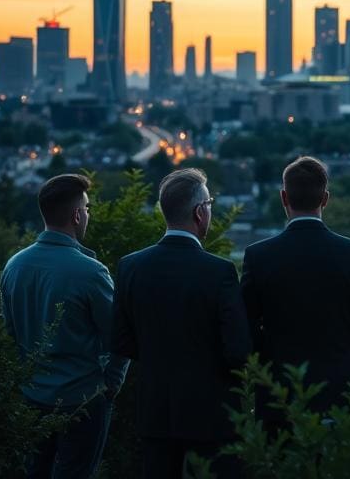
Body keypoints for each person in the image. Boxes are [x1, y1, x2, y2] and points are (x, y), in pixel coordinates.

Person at [111, 168, 251, 479]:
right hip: (212, 410)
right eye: (210, 203)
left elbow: (121, 341)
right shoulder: (220, 271)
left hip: (155, 407)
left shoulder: (130, 266)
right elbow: (238, 349)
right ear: (200, 212)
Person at [0, 173, 128, 479]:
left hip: (30, 396)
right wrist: (110, 385)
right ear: (76, 215)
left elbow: (10, 333)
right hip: (82, 398)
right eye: (87, 208)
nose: (88, 214)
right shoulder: (90, 272)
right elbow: (119, 337)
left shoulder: (14, 266)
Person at [240, 156, 350, 414]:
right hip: (343, 390)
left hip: (278, 391)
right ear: (325, 199)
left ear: (284, 197)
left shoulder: (258, 256)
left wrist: (270, 359)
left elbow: (245, 327)